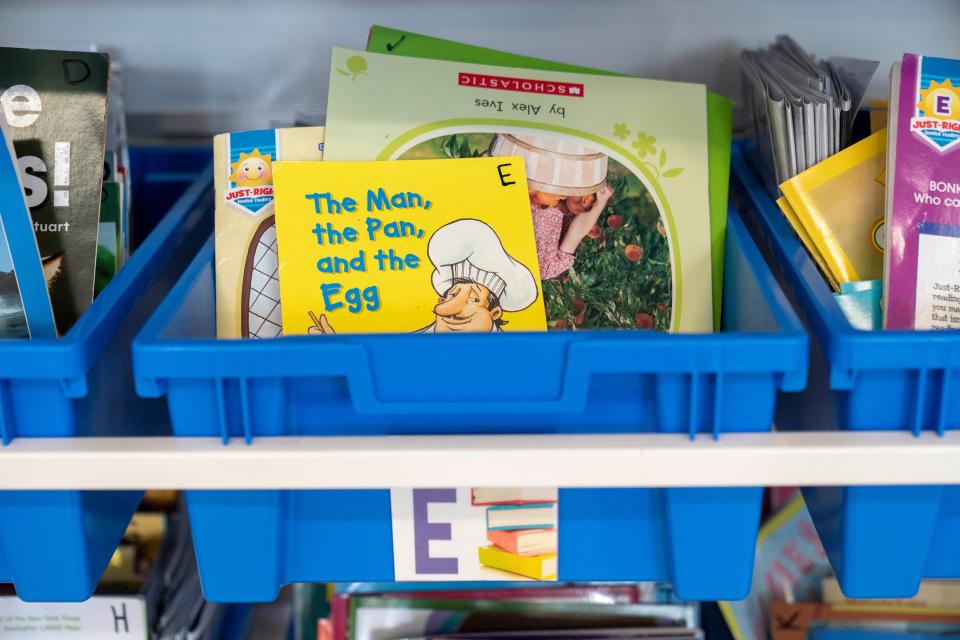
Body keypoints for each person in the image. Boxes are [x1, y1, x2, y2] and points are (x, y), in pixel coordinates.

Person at [309, 219, 539, 334]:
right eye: (452, 295)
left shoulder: (511, 351)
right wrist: (334, 345)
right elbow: (384, 360)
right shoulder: (417, 343)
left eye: (473, 299)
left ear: (495, 312)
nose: (453, 307)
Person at [488, 133, 614, 280]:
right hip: (562, 168)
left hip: (525, 160)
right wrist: (601, 201)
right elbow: (577, 232)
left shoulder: (484, 245)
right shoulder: (544, 269)